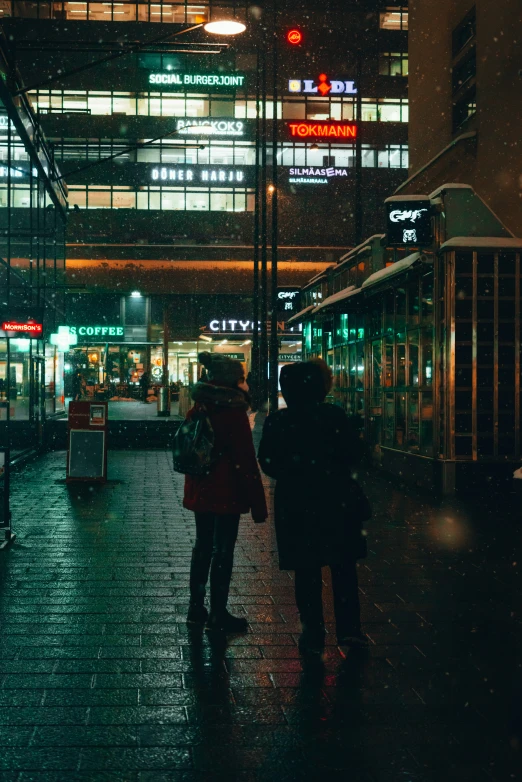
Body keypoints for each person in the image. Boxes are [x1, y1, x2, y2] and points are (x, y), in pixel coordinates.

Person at [258, 359, 367, 656]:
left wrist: (293, 472)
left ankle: (313, 631)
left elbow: (267, 461)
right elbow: (353, 453)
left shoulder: (278, 420)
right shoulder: (333, 416)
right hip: (336, 499)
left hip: (296, 502)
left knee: (307, 570)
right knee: (342, 566)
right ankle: (349, 631)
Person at [183, 351, 267, 633]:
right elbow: (245, 459)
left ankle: (196, 608)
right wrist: (258, 503)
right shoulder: (233, 413)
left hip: (201, 487)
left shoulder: (198, 408)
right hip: (227, 492)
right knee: (223, 551)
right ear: (233, 381)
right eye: (241, 378)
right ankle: (218, 613)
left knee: (203, 546)